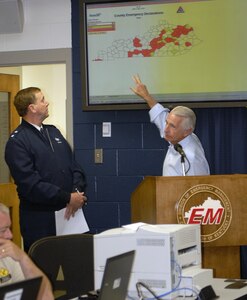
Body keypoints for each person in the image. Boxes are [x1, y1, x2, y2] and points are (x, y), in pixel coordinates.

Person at [5, 87, 87, 252]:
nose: (47, 102)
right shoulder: (18, 141)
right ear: (32, 108)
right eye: (42, 99)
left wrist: (76, 194)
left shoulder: (53, 132)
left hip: (70, 215)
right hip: (40, 221)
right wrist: (67, 198)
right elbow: (31, 185)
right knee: (45, 268)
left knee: (75, 266)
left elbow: (74, 167)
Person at [131, 74, 210, 176]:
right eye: (167, 123)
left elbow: (197, 189)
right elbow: (161, 116)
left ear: (187, 131)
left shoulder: (192, 158)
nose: (166, 129)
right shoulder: (179, 137)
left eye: (172, 126)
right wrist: (146, 96)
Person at [0, 203, 54, 300]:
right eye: (3, 230)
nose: (10, 235)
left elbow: (46, 296)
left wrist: (23, 258)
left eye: (9, 228)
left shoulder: (7, 252)